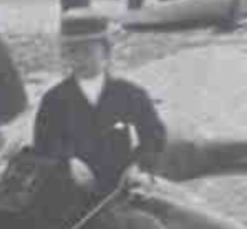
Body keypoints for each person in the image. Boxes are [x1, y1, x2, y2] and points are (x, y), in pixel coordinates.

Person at [32, 10, 167, 197]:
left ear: (106, 51)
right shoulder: (54, 99)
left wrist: (141, 167)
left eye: (87, 51)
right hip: (69, 194)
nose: (80, 59)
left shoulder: (130, 94)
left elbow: (154, 136)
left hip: (120, 190)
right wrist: (66, 163)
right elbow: (42, 147)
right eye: (72, 52)